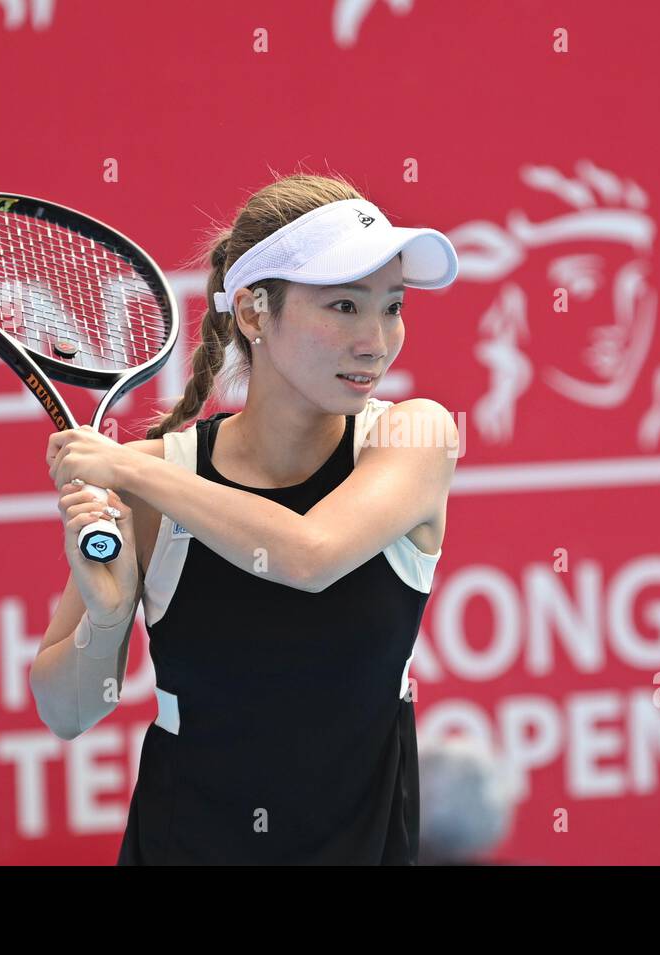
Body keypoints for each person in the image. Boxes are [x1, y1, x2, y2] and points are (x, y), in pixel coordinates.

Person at [29, 172, 460, 864]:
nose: (376, 341)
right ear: (256, 314)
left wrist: (134, 468)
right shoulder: (156, 481)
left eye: (393, 307)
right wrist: (107, 621)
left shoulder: (415, 436)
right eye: (345, 306)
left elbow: (308, 554)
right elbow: (67, 712)